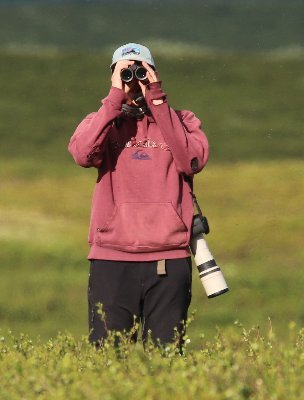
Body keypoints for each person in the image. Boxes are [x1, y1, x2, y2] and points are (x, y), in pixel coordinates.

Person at [68, 43, 209, 347]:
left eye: (140, 71)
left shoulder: (183, 121)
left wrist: (156, 100)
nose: (134, 79)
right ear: (114, 77)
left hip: (168, 257)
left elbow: (191, 161)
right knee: (108, 358)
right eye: (126, 72)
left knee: (166, 357)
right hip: (111, 257)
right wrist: (114, 100)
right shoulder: (102, 123)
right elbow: (82, 154)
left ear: (154, 74)